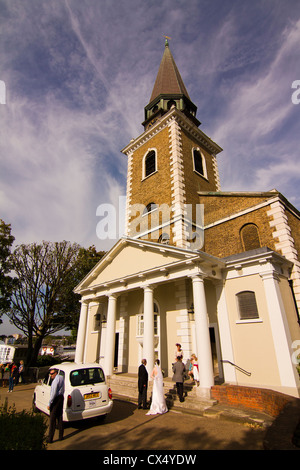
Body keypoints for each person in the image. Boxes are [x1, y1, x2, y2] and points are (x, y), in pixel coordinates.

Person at [47, 368, 65, 443]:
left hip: (56, 399)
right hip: (61, 398)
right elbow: (63, 388)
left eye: (52, 374)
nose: (50, 375)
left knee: (52, 419)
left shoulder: (55, 381)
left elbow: (53, 393)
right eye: (50, 374)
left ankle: (50, 438)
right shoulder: (61, 377)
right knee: (60, 417)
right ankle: (61, 436)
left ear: (55, 373)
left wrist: (49, 403)